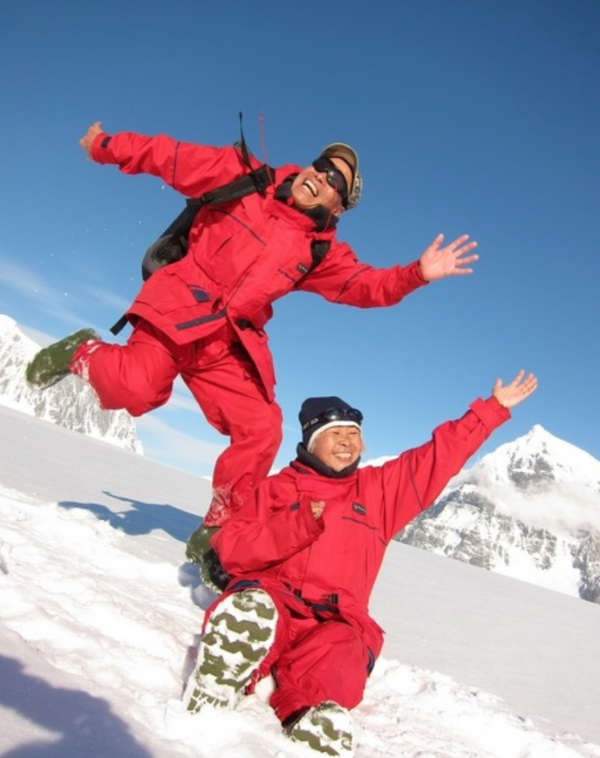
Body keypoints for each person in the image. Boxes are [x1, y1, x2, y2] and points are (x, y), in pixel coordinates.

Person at [26, 120, 478, 570]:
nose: (320, 176)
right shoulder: (244, 177)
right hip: (175, 308)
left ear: (339, 206)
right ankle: (80, 351)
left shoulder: (321, 251)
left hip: (226, 343)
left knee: (262, 428)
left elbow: (366, 287)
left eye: (335, 180)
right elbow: (171, 156)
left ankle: (218, 531)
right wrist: (106, 145)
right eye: (321, 166)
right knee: (134, 391)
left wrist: (416, 274)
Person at [183, 371, 538, 756]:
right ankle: (219, 685)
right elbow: (233, 551)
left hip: (339, 617)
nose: (347, 443)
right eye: (336, 434)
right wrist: (294, 526)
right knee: (252, 609)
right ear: (311, 441)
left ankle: (315, 717)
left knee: (344, 652)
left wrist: (491, 410)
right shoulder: (275, 489)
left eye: (353, 435)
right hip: (274, 600)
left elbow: (438, 455)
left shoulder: (380, 491)